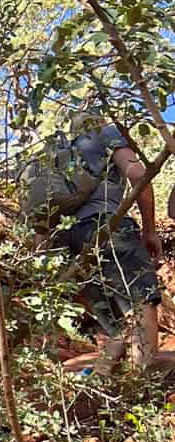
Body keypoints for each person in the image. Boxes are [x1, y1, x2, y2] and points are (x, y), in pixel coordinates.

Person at [59, 120, 164, 366]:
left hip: (67, 238)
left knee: (119, 326)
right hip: (105, 226)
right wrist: (149, 230)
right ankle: (142, 384)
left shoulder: (63, 150)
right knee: (141, 301)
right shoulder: (105, 132)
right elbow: (139, 176)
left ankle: (105, 386)